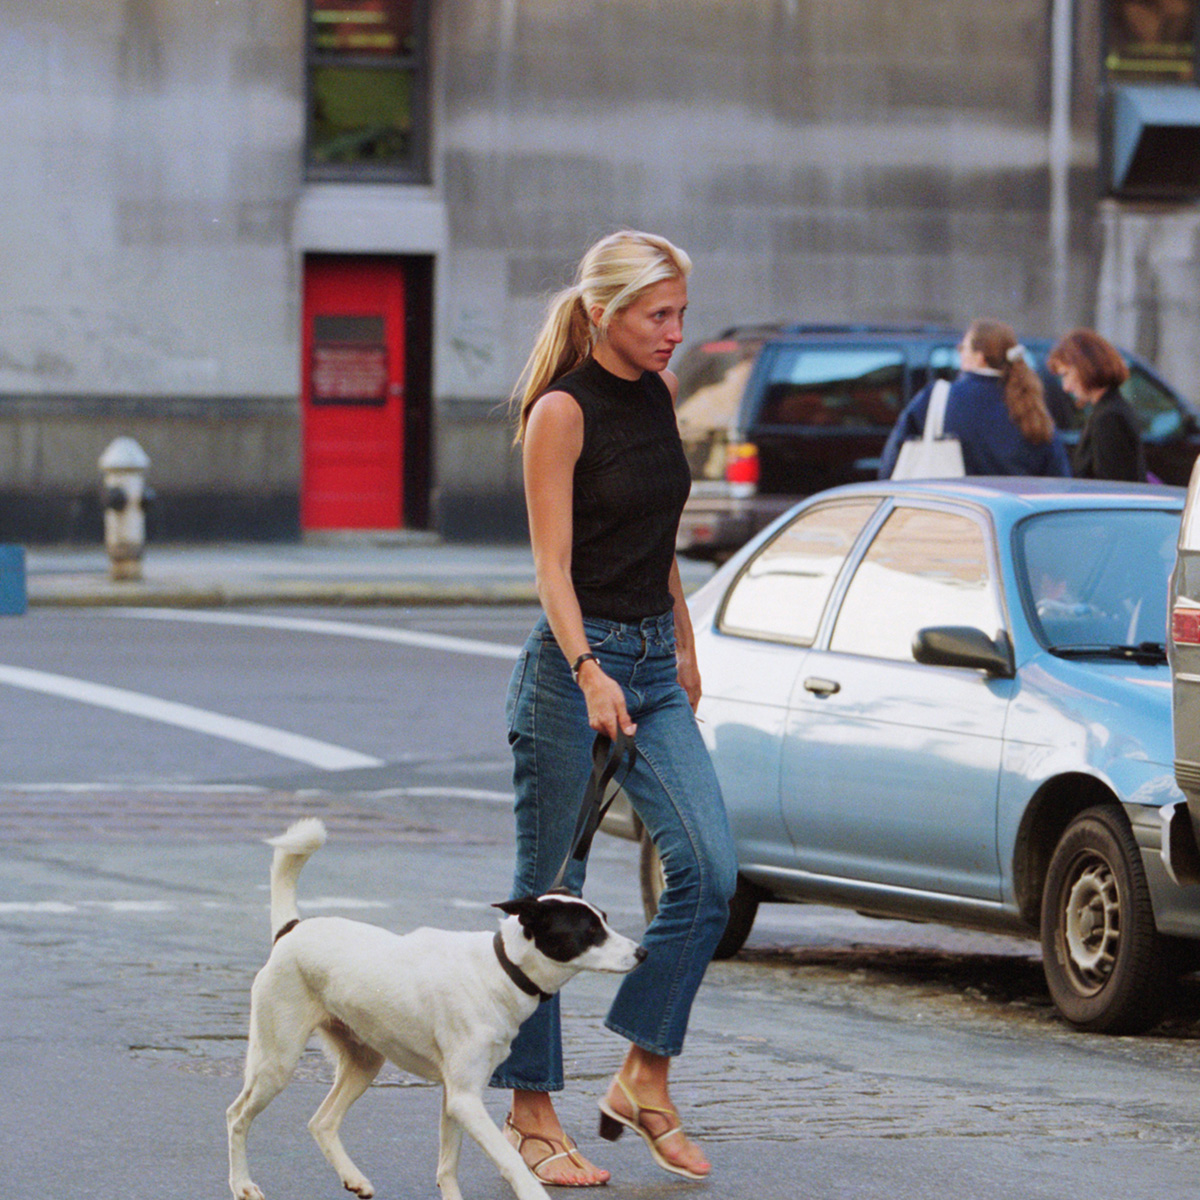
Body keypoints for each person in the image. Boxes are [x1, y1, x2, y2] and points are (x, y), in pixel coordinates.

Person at [491, 230, 738, 1187]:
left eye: (681, 313)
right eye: (658, 314)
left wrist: (683, 641)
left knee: (708, 871)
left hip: (651, 663)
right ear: (605, 313)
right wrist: (590, 669)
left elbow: (657, 535)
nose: (676, 332)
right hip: (572, 671)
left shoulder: (660, 394)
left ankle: (643, 1073)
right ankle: (529, 1112)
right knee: (550, 891)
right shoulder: (561, 411)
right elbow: (551, 567)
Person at [879, 319, 1071, 479]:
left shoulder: (937, 398)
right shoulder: (1031, 406)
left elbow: (891, 460)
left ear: (980, 357)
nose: (959, 352)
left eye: (963, 347)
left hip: (956, 508)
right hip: (1015, 511)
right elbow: (1058, 475)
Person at [1047, 328, 1147, 483]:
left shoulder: (1108, 417)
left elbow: (1112, 487)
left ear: (1086, 367)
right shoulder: (1109, 410)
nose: (1065, 387)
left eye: (1066, 374)